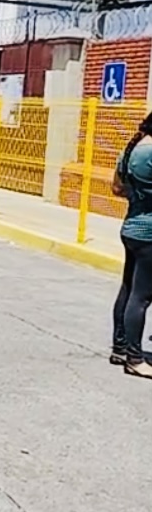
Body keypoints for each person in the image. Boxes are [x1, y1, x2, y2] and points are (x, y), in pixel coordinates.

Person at [110, 111, 152, 379]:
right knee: (142, 295)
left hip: (132, 227)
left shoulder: (132, 149)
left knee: (129, 288)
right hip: (150, 233)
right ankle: (135, 359)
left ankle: (121, 347)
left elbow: (116, 187)